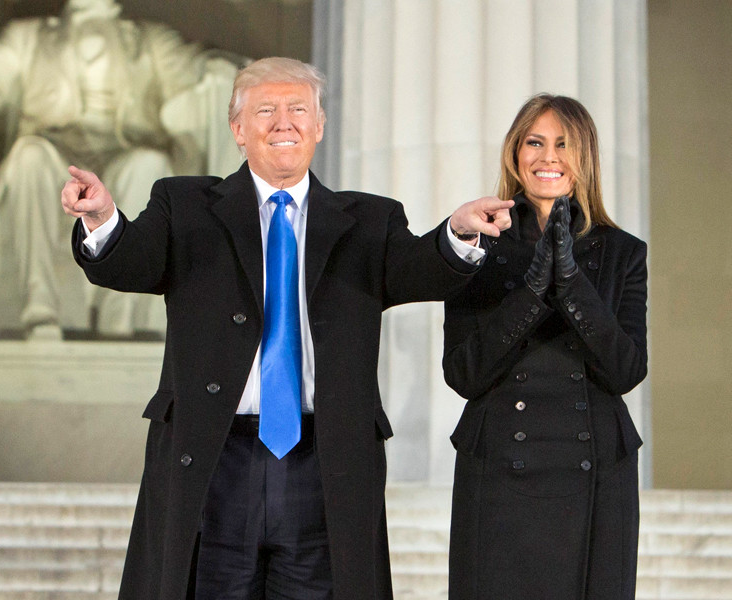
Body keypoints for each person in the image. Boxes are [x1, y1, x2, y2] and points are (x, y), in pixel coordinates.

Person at [60, 57, 514, 600]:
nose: (284, 122)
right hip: (215, 460)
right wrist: (101, 218)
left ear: (318, 126)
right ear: (237, 129)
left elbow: (421, 269)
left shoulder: (370, 221)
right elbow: (131, 261)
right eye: (265, 110)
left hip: (325, 465)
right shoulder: (184, 207)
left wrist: (458, 233)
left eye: (298, 109)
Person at [442, 94, 647, 599]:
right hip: (498, 472)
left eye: (563, 144)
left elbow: (626, 370)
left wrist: (571, 282)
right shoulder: (477, 245)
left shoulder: (623, 252)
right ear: (516, 153)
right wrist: (532, 291)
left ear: (586, 157)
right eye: (534, 142)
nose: (548, 157)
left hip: (597, 472)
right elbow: (462, 373)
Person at [0, 0, 240, 338]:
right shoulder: (29, 37)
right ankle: (39, 304)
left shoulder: (149, 40)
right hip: (53, 153)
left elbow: (196, 67)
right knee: (28, 156)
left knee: (150, 164)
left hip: (123, 150)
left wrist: (225, 69)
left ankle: (118, 314)